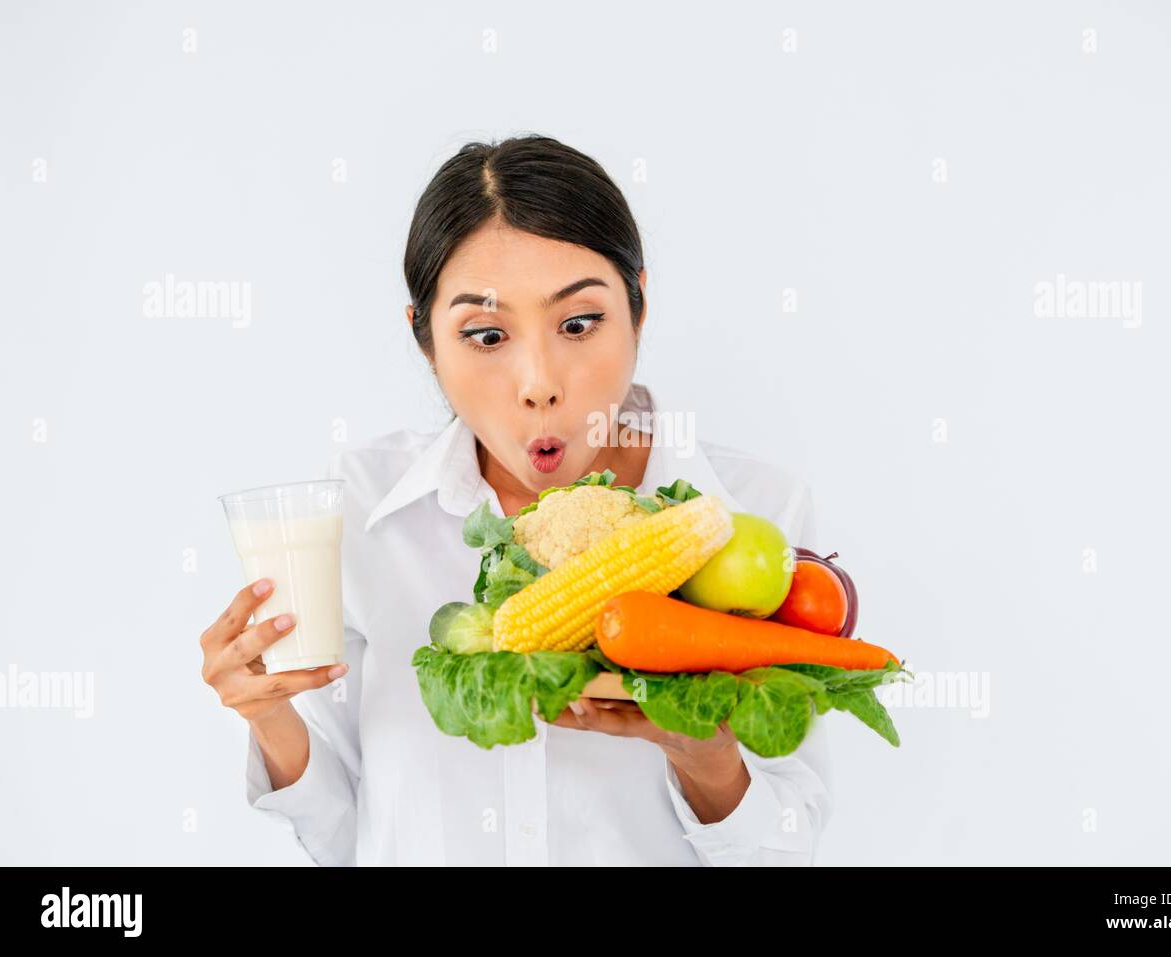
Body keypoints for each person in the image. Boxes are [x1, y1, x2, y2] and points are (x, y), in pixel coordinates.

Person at [199, 134, 834, 866]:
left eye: (577, 323)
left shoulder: (757, 509)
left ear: (639, 306)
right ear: (425, 340)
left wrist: (707, 761)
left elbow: (786, 850)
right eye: (487, 334)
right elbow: (344, 836)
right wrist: (269, 713)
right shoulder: (362, 509)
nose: (539, 381)